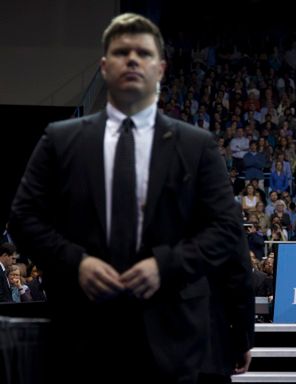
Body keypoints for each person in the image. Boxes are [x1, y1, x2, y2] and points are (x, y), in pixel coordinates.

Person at [9, 13, 253, 384]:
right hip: (82, 331)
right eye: (122, 52)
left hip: (175, 336)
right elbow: (24, 218)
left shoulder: (196, 145)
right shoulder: (60, 139)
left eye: (144, 53)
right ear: (105, 67)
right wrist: (77, 263)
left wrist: (165, 265)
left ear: (161, 68)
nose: (133, 60)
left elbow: (224, 230)